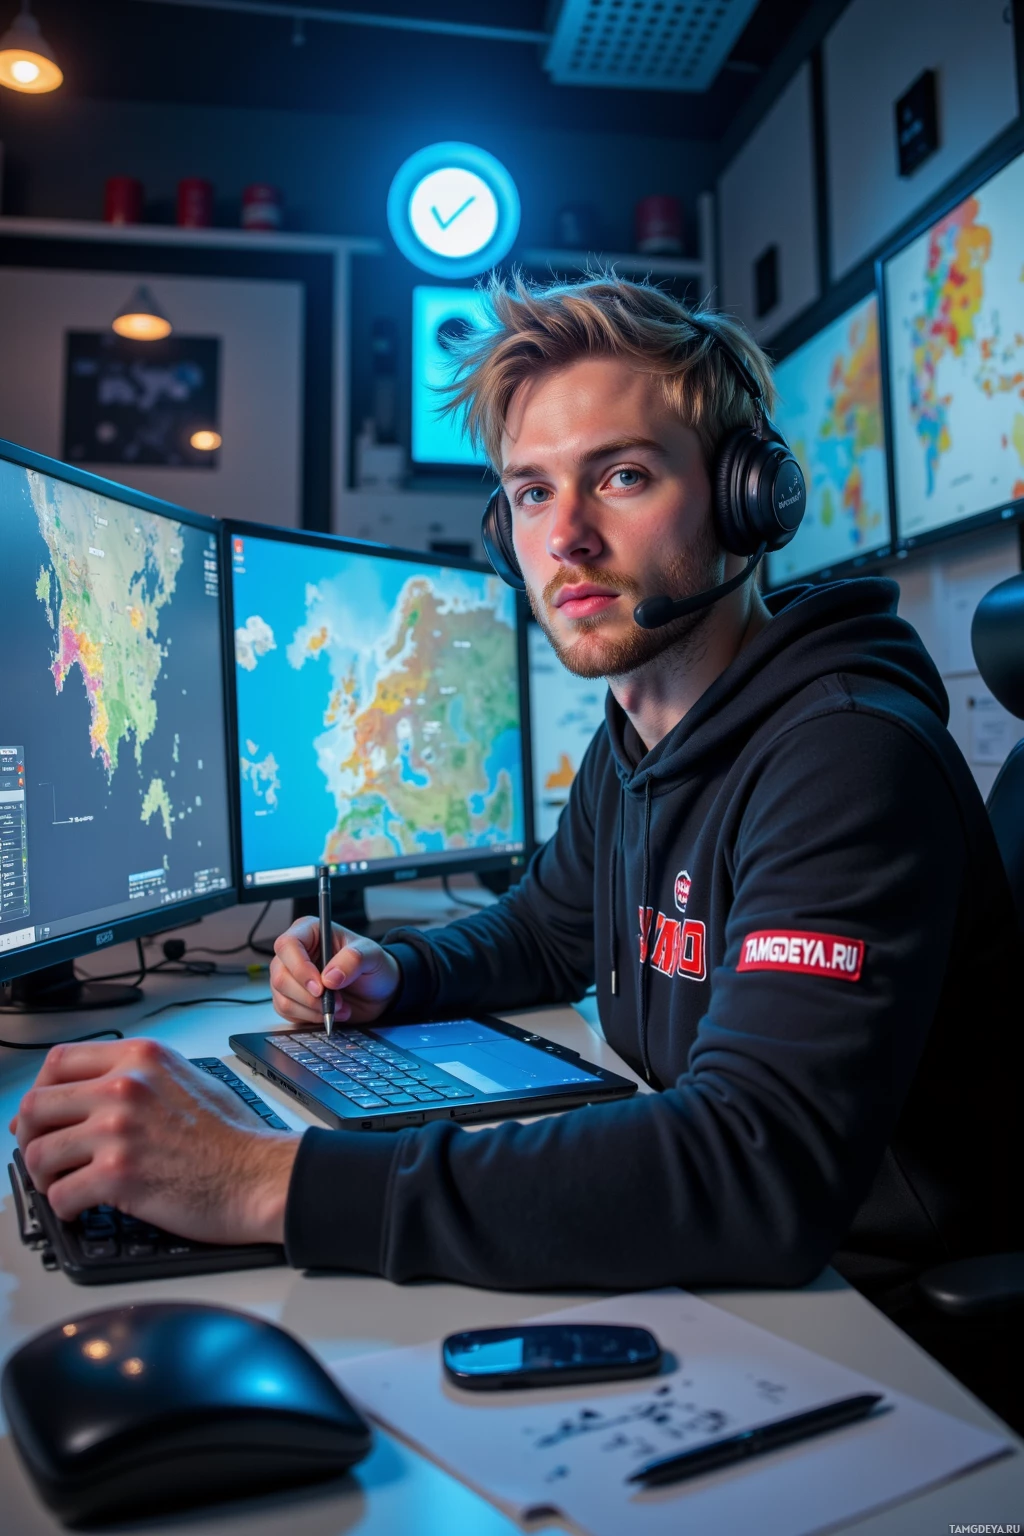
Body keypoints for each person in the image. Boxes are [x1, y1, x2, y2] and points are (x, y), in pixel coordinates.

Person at [12, 276, 1020, 1314]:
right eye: (532, 492)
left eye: (620, 476)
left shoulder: (845, 757)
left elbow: (752, 1165)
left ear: (745, 500)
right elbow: (547, 932)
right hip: (727, 1279)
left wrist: (264, 1179)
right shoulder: (639, 735)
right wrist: (395, 973)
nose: (563, 537)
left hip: (871, 1313)